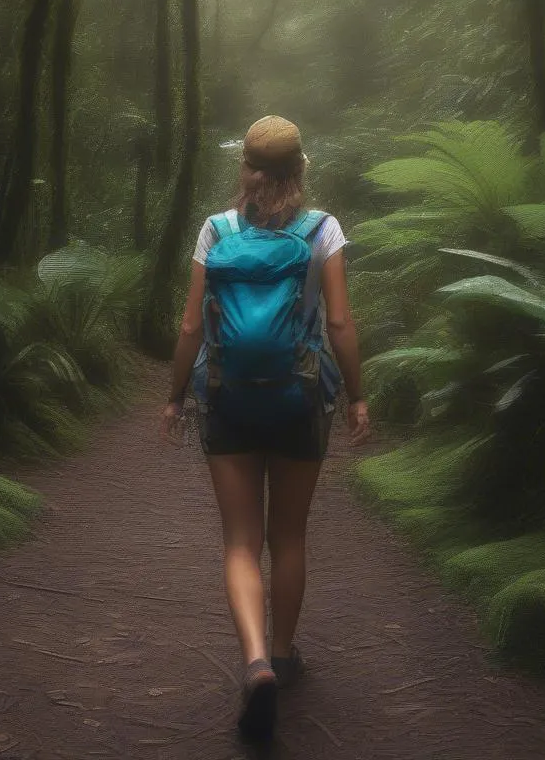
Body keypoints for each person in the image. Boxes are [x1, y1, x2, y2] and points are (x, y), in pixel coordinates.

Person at [159, 115, 370, 741]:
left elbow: (192, 327)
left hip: (227, 401)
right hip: (302, 400)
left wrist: (173, 397)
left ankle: (253, 662)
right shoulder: (322, 231)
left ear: (246, 169)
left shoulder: (216, 230)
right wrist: (358, 396)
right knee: (290, 537)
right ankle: (282, 652)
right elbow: (339, 324)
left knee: (240, 543)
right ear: (301, 167)